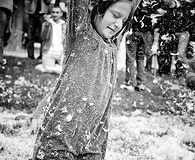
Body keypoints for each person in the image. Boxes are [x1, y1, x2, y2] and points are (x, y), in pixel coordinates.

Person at [32, 0, 139, 159]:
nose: (118, 24)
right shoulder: (81, 32)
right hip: (59, 142)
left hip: (93, 145)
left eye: (123, 21)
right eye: (115, 15)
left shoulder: (113, 44)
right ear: (96, 8)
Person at [35, 5, 66, 74]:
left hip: (61, 52)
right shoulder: (47, 24)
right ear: (51, 13)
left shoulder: (64, 25)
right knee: (48, 70)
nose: (55, 14)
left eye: (57, 12)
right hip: (49, 51)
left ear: (61, 14)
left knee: (65, 71)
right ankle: (53, 67)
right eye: (53, 12)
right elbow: (43, 37)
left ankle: (51, 67)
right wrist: (47, 25)